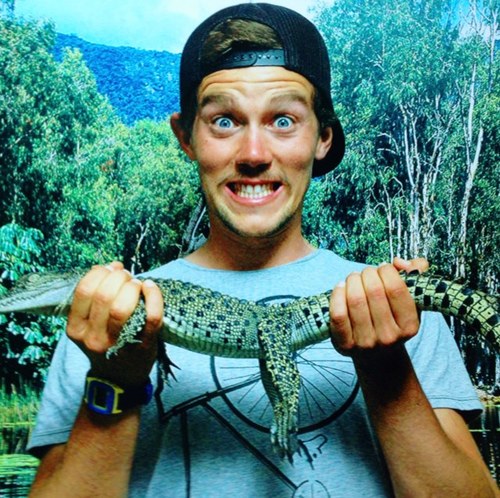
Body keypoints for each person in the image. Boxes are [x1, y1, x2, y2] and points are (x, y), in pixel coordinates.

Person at [28, 3, 498, 497]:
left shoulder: (399, 309)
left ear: (324, 137)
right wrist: (116, 382)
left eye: (283, 120)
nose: (254, 154)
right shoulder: (100, 320)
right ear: (186, 137)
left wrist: (387, 371)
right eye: (225, 121)